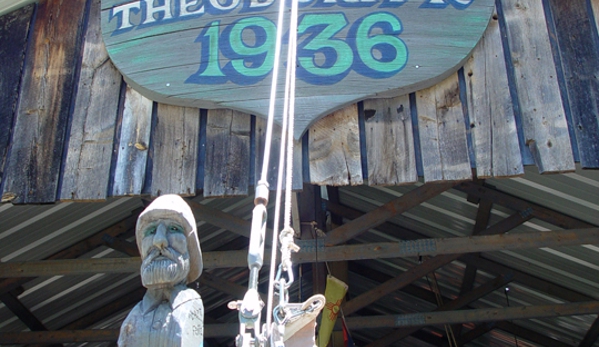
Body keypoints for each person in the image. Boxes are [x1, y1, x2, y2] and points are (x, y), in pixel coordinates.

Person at [118, 195, 204, 347]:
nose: (159, 241)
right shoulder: (133, 317)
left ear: (190, 250)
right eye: (151, 231)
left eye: (173, 228)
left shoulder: (191, 305)